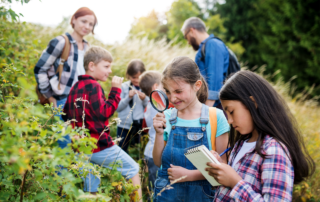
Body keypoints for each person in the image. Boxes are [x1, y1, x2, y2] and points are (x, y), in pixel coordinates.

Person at [205, 70, 315, 201]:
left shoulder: (273, 150)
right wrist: (220, 168)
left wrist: (235, 183)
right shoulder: (241, 144)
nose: (229, 120)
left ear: (253, 103)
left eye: (232, 112)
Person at [62, 46, 142, 200]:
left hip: (81, 149)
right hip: (99, 146)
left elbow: (65, 114)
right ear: (91, 66)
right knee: (133, 169)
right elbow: (105, 112)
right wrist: (115, 90)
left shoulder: (75, 87)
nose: (110, 71)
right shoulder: (94, 86)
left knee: (91, 185)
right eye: (106, 66)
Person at [152, 57, 230, 201]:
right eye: (168, 92)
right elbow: (158, 162)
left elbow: (223, 165)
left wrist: (189, 175)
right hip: (166, 195)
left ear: (197, 85)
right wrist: (158, 133)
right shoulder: (167, 116)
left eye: (178, 91)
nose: (173, 98)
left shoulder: (216, 117)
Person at [34, 7, 97, 148]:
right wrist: (50, 98)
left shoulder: (88, 47)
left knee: (80, 147)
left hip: (82, 103)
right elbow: (40, 69)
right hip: (62, 100)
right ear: (74, 19)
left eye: (91, 24)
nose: (86, 26)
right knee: (65, 145)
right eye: (84, 21)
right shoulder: (61, 42)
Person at [181, 17, 229, 109]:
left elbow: (214, 85)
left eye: (185, 36)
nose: (187, 42)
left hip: (216, 107)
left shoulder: (212, 44)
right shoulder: (205, 47)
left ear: (192, 31)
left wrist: (205, 113)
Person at [116, 59, 149, 153]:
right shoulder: (123, 87)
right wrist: (128, 97)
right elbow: (118, 108)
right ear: (128, 76)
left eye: (140, 77)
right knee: (121, 150)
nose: (137, 80)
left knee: (140, 150)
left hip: (140, 126)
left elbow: (150, 108)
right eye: (134, 77)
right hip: (124, 125)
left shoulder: (147, 88)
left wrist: (144, 99)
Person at [138, 71, 162, 191]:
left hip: (149, 151)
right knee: (155, 188)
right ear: (155, 87)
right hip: (155, 152)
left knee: (152, 185)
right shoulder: (158, 103)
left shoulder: (149, 103)